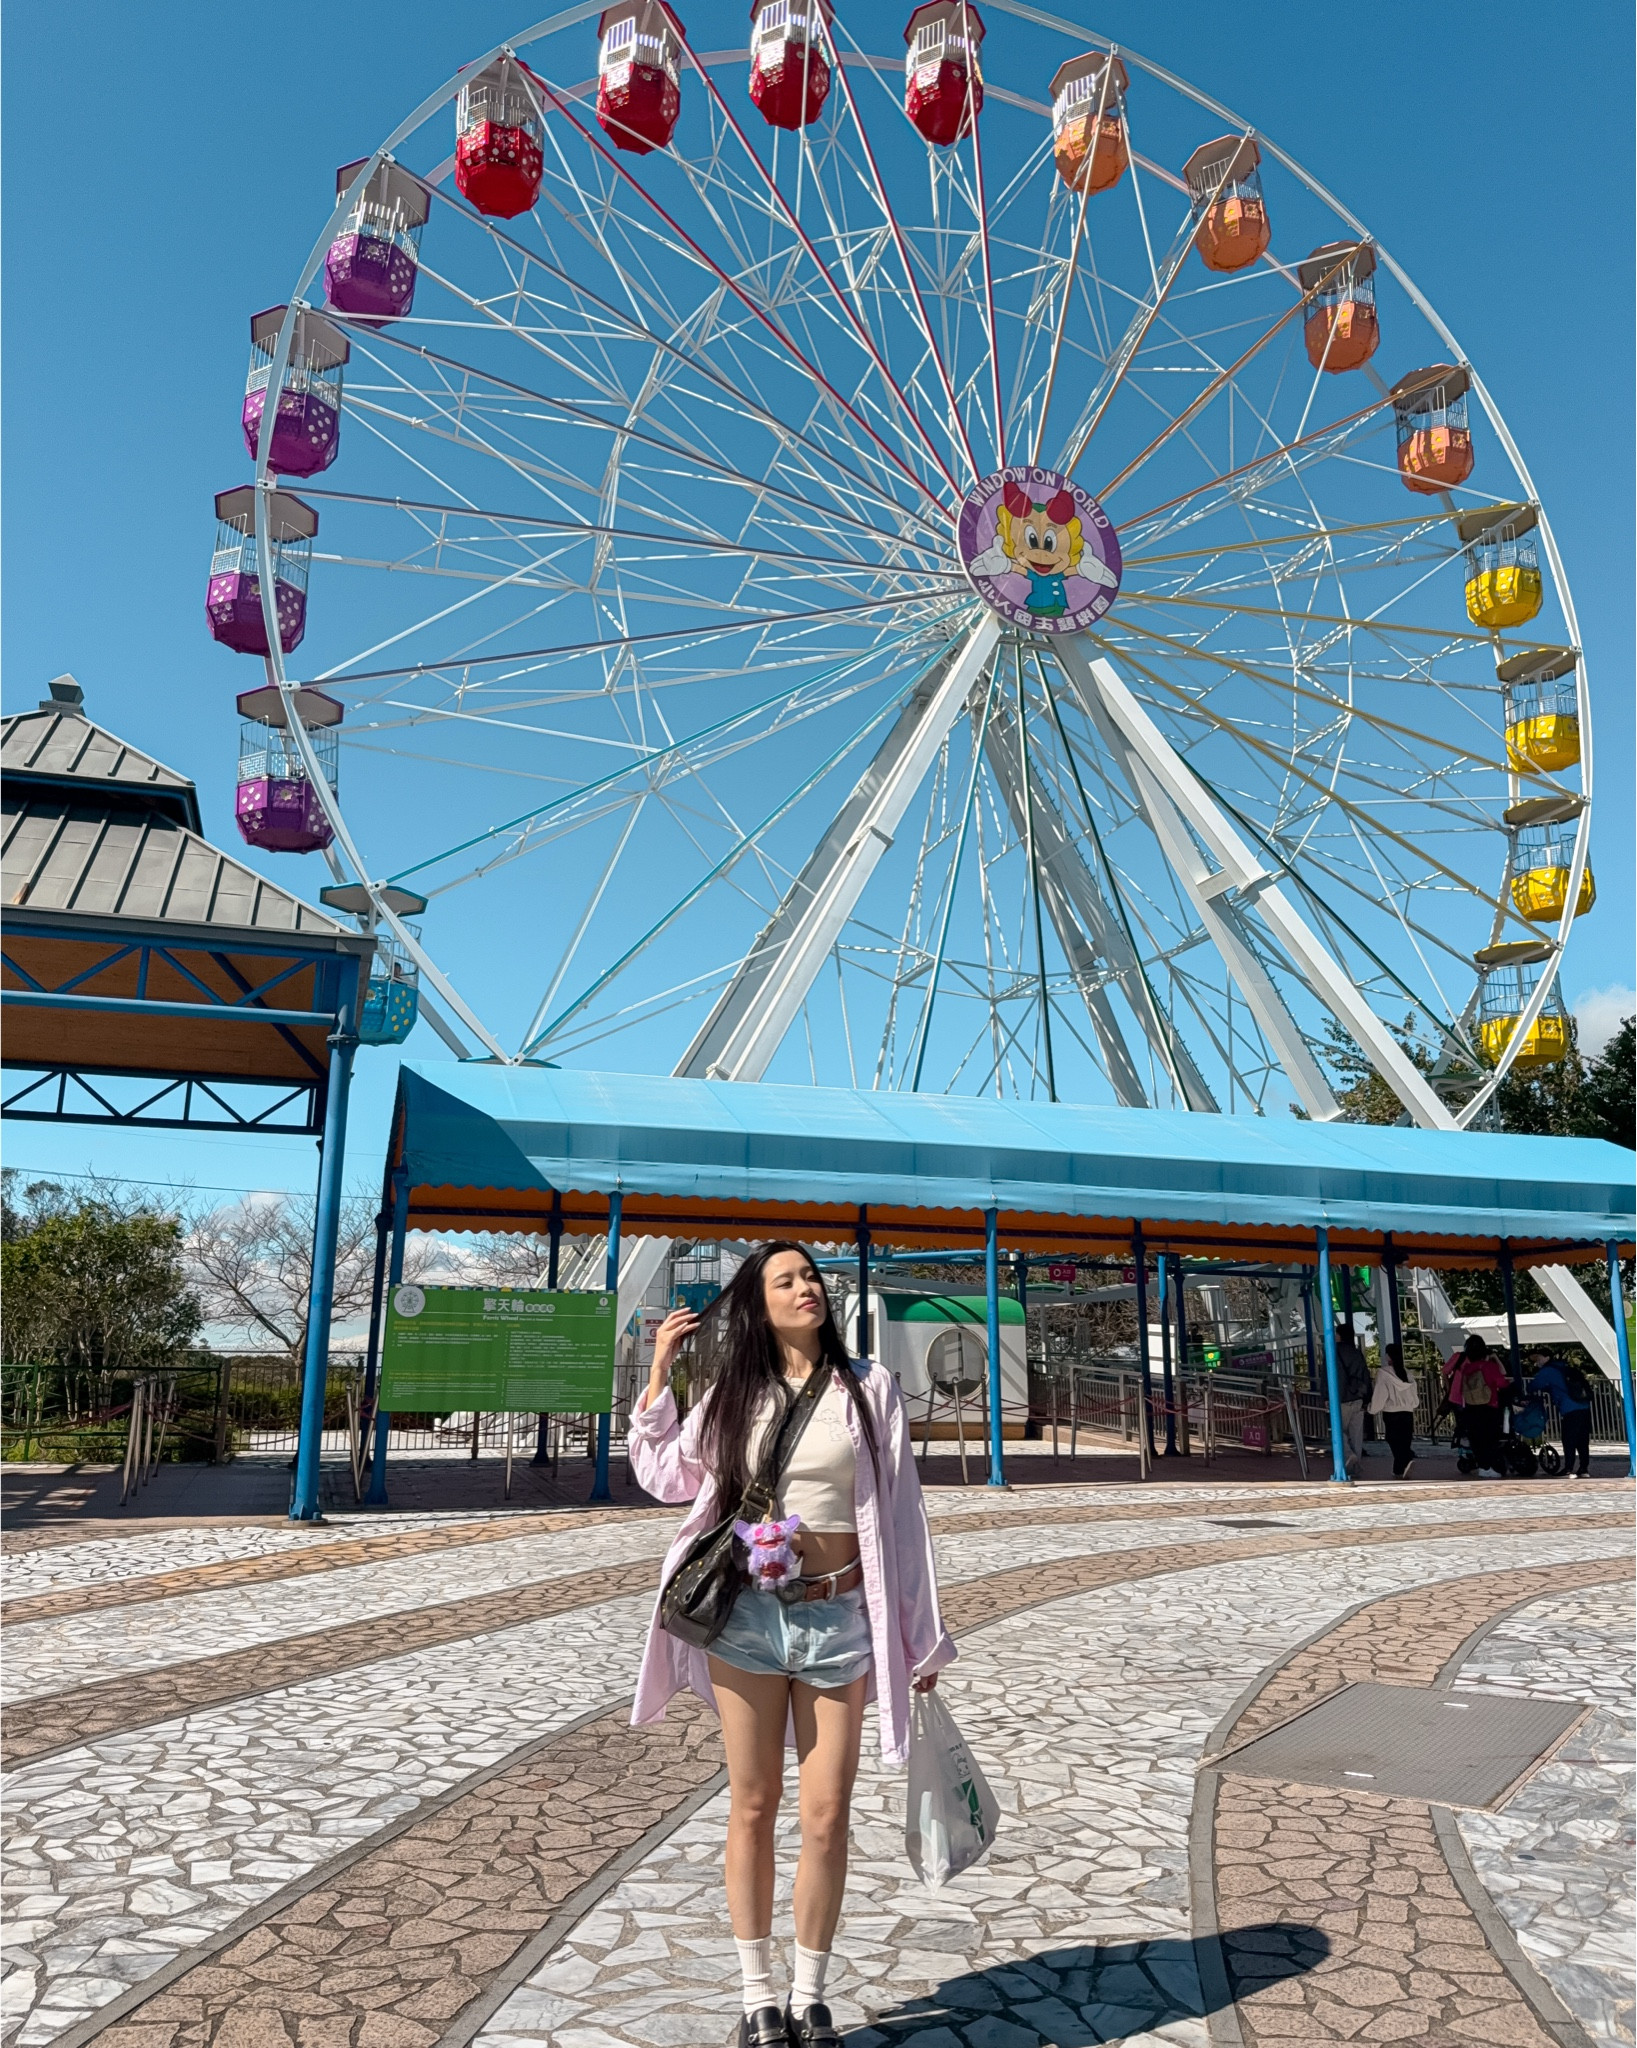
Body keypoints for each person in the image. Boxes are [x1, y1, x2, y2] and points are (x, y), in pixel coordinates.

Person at [627, 1242, 954, 2048]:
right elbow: (666, 1473)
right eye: (786, 1280)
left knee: (826, 1814)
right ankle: (757, 1999)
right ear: (758, 1304)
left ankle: (810, 1995)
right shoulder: (732, 1392)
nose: (806, 1288)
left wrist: (919, 1637)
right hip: (744, 1620)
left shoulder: (867, 1388)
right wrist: (660, 1371)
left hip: (840, 1619)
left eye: (810, 1277)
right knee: (752, 1804)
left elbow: (903, 1517)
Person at [1445, 1333, 1507, 1478]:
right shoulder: (1488, 1367)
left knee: (1477, 1439)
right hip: (1489, 1405)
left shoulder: (1467, 1368)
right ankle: (1491, 1466)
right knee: (1490, 1438)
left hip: (1471, 1406)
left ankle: (1483, 1467)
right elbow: (1502, 1381)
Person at [1526, 1349, 1595, 1479]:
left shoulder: (1547, 1371)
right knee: (1582, 1440)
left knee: (1568, 1439)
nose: (1537, 1362)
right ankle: (1583, 1468)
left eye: (1538, 1358)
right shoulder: (1563, 1367)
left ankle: (1568, 1469)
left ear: (1546, 1357)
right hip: (1583, 1406)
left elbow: (1533, 1386)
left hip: (1569, 1408)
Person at [1368, 1340, 1420, 1478]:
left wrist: (1372, 1409)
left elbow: (1380, 1394)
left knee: (1393, 1440)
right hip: (1407, 1412)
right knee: (1404, 1441)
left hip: (1391, 1412)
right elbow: (1414, 1399)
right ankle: (1400, 1468)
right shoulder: (1407, 1374)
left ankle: (1405, 1462)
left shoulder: (1383, 1373)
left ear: (1388, 1356)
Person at [1332, 1320, 1372, 1478]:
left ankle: (1348, 1455)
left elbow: (1328, 1377)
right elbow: (1366, 1376)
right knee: (1356, 1434)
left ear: (1339, 1336)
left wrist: (1326, 1396)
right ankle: (1356, 1465)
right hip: (1358, 1398)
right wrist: (1367, 1398)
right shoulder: (1357, 1353)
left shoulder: (1333, 1352)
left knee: (1337, 1430)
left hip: (1340, 1398)